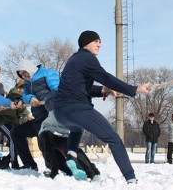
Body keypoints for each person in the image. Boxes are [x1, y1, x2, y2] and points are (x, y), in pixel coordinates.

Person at [53, 30, 150, 184]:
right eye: (96, 41)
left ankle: (71, 153)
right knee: (114, 139)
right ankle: (131, 178)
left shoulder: (73, 60)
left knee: (77, 128)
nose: (99, 44)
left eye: (100, 41)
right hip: (77, 108)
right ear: (86, 43)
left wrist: (103, 90)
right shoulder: (87, 58)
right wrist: (134, 89)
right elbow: (105, 77)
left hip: (60, 112)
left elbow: (82, 88)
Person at [38, 90, 99, 180]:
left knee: (73, 150)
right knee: (48, 140)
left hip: (63, 135)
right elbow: (51, 100)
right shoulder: (58, 103)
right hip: (48, 133)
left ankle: (91, 171)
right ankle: (51, 168)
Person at [11, 58, 60, 170]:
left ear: (30, 68)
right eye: (21, 75)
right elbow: (25, 96)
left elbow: (57, 90)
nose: (23, 76)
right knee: (16, 132)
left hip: (49, 117)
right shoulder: (28, 83)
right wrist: (31, 98)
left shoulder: (48, 73)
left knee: (43, 142)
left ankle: (53, 169)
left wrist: (45, 100)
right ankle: (29, 165)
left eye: (24, 72)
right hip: (38, 119)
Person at [0, 79, 32, 169]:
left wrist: (26, 115)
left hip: (12, 122)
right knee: (12, 136)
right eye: (24, 89)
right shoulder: (13, 95)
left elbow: (21, 110)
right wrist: (26, 113)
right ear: (19, 88)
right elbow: (16, 102)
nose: (25, 92)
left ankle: (6, 160)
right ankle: (14, 162)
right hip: (3, 121)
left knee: (20, 140)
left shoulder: (20, 96)